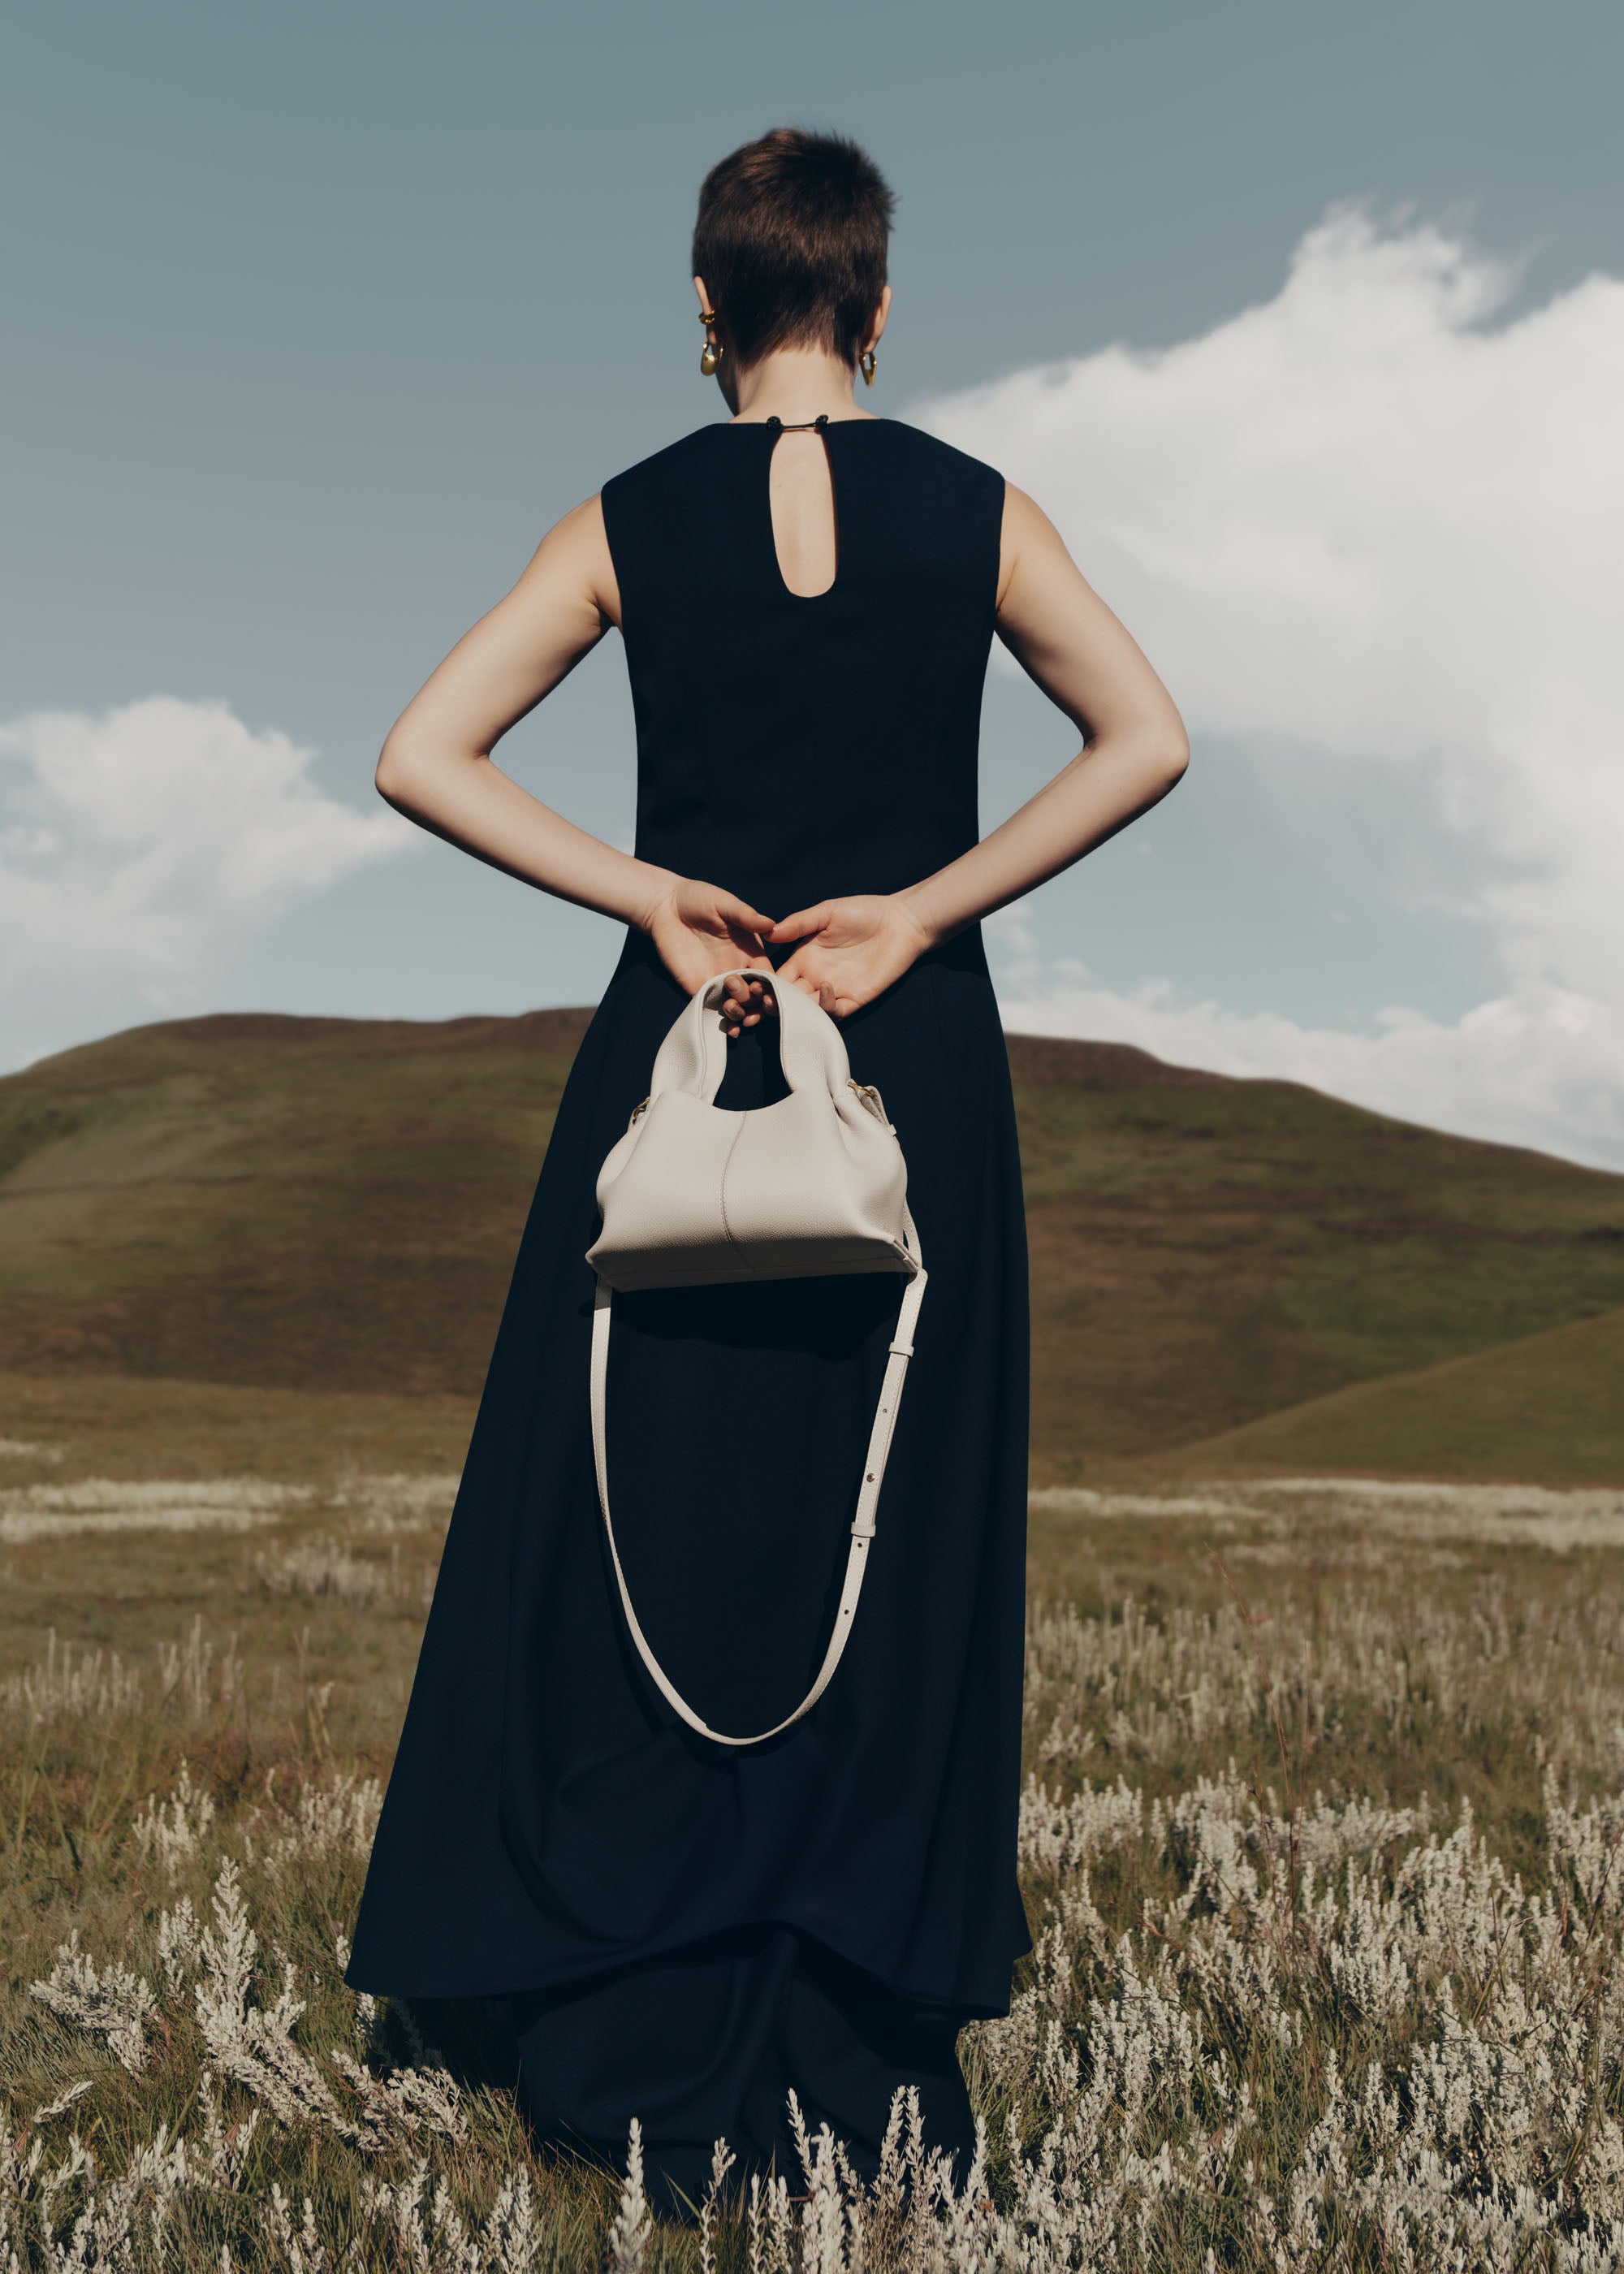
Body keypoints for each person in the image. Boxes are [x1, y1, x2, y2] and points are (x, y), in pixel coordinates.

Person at [346, 125, 1188, 2216]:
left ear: (704, 311)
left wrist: (645, 895)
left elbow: (419, 752)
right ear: (878, 310)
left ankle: (614, 1965)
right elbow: (1146, 736)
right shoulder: (976, 508)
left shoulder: (628, 514)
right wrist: (921, 909)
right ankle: (856, 1999)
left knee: (646, 1512)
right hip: (913, 1068)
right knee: (883, 1530)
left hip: (690, 1059)